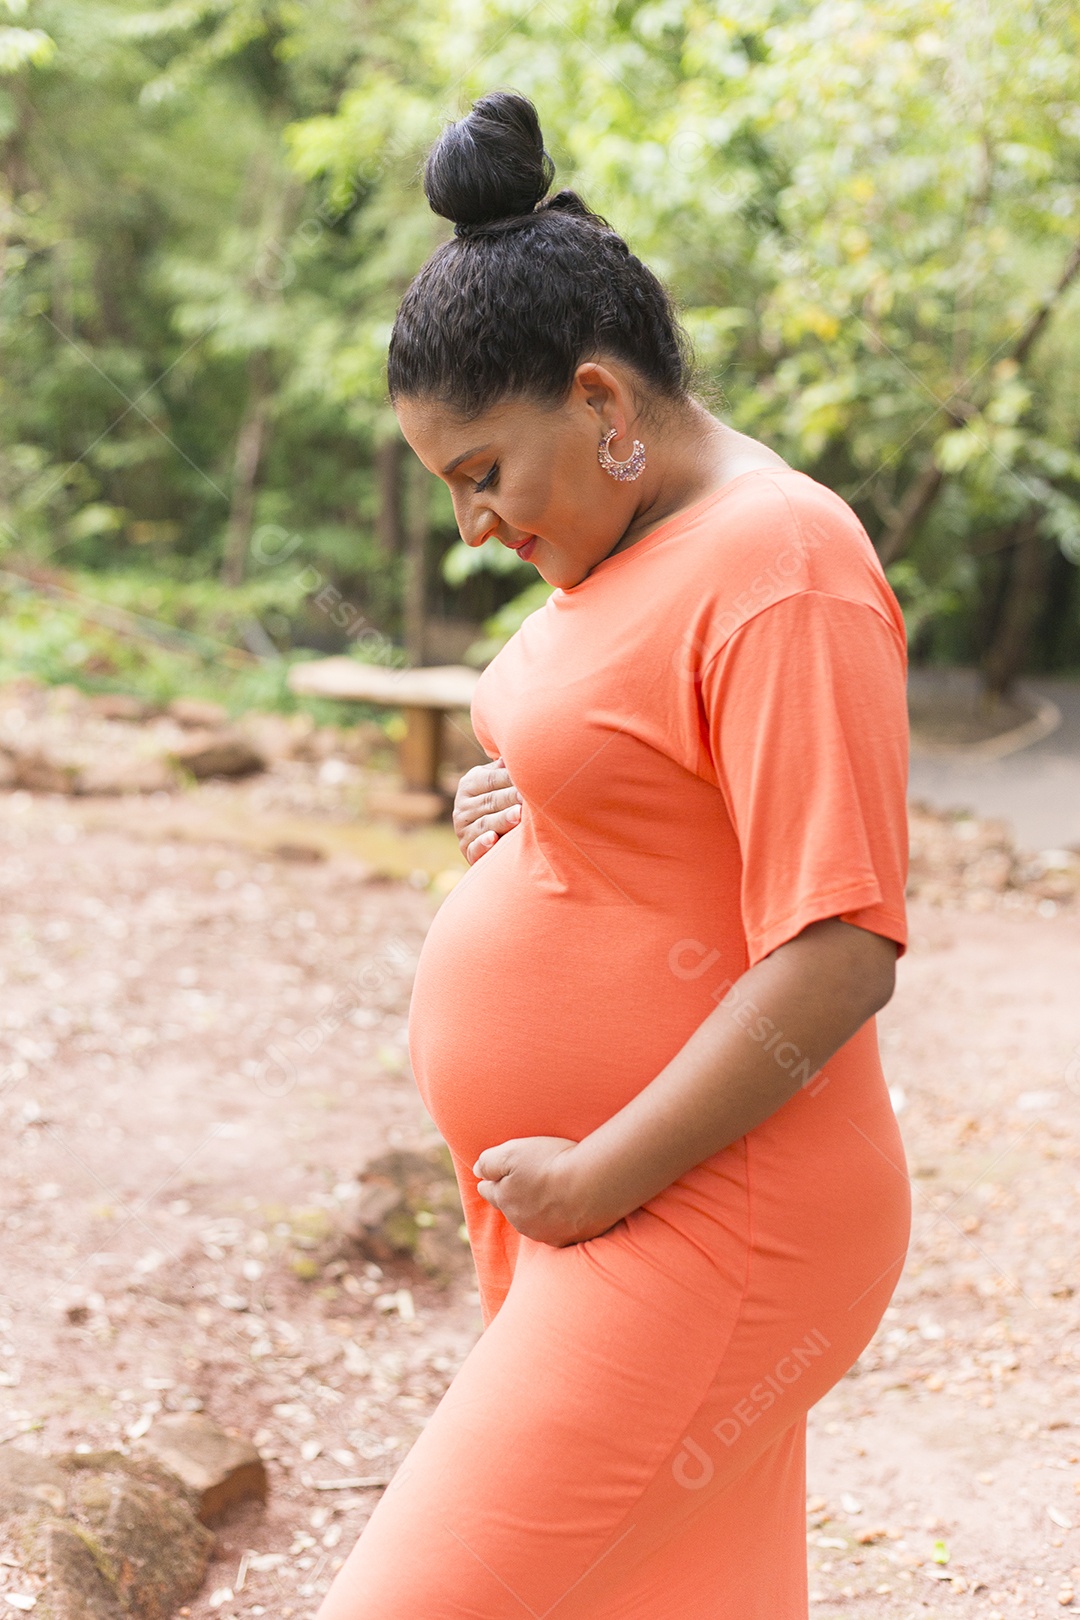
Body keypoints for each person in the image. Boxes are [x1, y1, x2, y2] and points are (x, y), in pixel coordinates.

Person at [317, 90, 911, 1620]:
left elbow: (841, 941)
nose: (469, 526)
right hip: (614, 1202)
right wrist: (539, 813)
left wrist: (594, 1178)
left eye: (482, 472)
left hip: (709, 1208)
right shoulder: (640, 543)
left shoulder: (783, 563)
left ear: (599, 402)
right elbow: (672, 791)